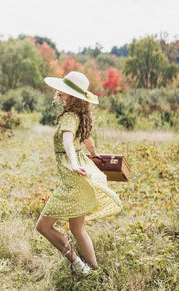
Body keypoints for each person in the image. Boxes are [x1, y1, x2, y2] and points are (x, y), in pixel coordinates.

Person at [36, 71, 123, 275]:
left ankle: (78, 265)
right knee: (78, 229)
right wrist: (94, 154)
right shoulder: (80, 116)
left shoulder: (68, 117)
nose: (59, 92)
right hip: (81, 176)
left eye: (64, 90)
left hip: (74, 178)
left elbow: (67, 141)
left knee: (43, 226)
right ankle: (93, 270)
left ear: (72, 95)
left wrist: (74, 163)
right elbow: (87, 140)